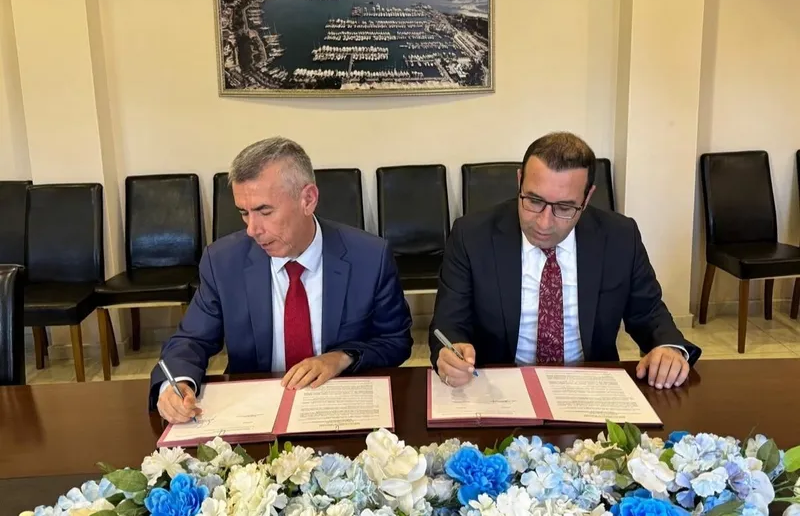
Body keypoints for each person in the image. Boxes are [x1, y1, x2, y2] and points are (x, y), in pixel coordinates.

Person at [152, 137, 413, 423]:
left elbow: (395, 341)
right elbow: (191, 340)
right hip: (254, 409)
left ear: (308, 199)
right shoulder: (224, 261)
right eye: (244, 213)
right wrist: (175, 384)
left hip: (338, 403)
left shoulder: (369, 257)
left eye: (265, 211)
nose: (252, 229)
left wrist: (342, 357)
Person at [430, 132, 700, 391]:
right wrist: (451, 353)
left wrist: (668, 348)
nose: (544, 223)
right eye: (534, 200)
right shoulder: (471, 236)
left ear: (587, 196)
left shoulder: (619, 237)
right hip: (500, 388)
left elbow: (648, 312)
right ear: (520, 181)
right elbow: (450, 323)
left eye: (564, 207)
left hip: (590, 386)